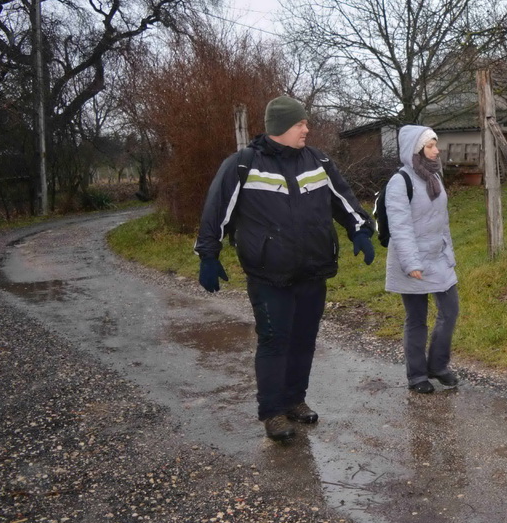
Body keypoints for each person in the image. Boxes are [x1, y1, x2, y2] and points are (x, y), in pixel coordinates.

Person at [194, 95, 375, 440]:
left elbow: (344, 201)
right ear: (280, 127)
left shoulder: (318, 161)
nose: (307, 129)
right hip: (269, 274)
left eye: (305, 123)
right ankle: (273, 412)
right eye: (300, 124)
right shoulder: (243, 165)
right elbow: (216, 212)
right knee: (275, 341)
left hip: (314, 269)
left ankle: (295, 400)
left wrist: (360, 231)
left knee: (304, 339)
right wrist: (208, 255)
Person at [384, 125, 460, 394]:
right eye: (430, 146)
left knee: (450, 311)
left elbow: (442, 220)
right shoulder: (400, 182)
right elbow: (400, 227)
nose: (436, 150)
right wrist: (411, 264)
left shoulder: (435, 175)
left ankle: (437, 365)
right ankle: (417, 375)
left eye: (435, 144)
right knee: (417, 318)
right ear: (415, 150)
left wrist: (448, 253)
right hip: (412, 260)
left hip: (437, 257)